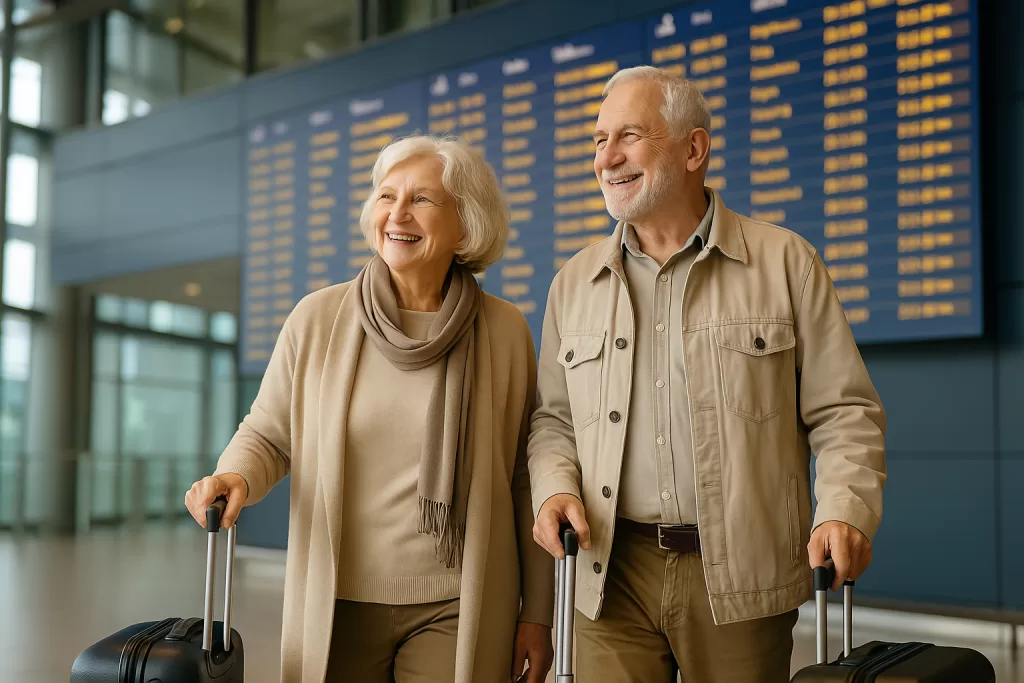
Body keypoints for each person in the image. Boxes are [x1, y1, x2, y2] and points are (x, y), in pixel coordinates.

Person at [527, 65, 887, 682]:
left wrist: (843, 510)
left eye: (628, 136)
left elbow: (842, 412)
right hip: (608, 571)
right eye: (598, 139)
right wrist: (555, 487)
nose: (606, 157)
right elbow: (554, 420)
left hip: (739, 571)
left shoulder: (786, 263)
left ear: (693, 149)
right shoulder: (573, 284)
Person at [185, 135, 554, 683]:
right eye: (386, 197)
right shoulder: (318, 319)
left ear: (466, 224)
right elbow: (268, 433)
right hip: (337, 601)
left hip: (458, 603)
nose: (397, 214)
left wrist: (538, 615)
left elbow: (527, 478)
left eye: (422, 200)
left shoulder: (504, 330)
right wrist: (235, 473)